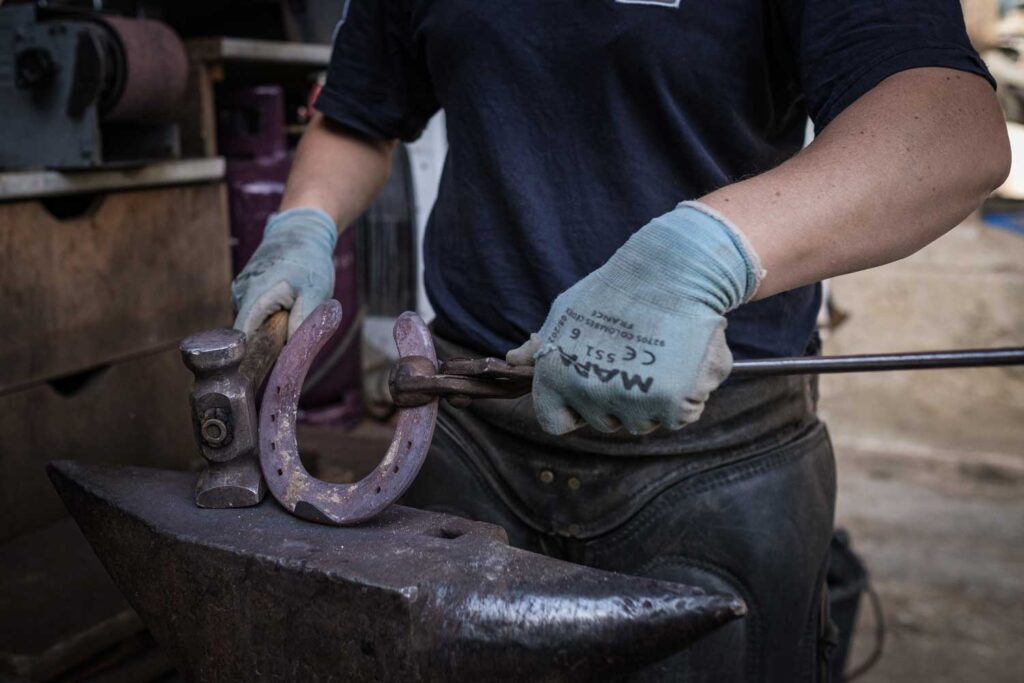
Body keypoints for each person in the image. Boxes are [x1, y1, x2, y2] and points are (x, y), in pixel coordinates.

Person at [231, 2, 1009, 680]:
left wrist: (708, 251)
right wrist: (303, 222)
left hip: (719, 465)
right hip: (468, 443)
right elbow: (359, 115)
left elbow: (949, 129)